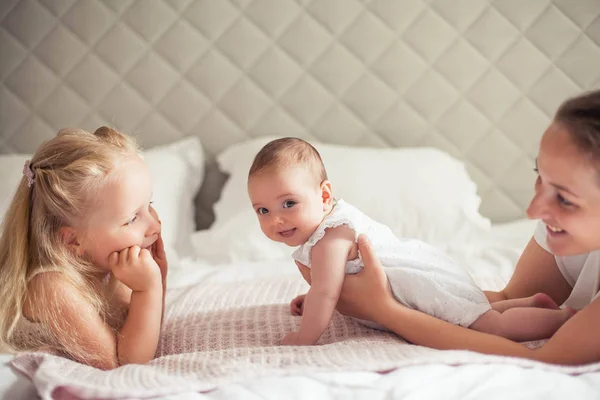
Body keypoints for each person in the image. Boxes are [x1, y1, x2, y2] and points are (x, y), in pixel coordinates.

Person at [293, 89, 600, 365]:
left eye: (564, 198)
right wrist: (343, 289)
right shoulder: (563, 230)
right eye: (540, 176)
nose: (534, 210)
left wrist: (385, 309)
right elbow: (503, 301)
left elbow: (541, 361)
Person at [247, 138, 575, 346]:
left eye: (288, 203)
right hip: (421, 277)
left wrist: (306, 336)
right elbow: (330, 284)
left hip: (418, 287)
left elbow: (328, 290)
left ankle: (562, 320)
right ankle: (530, 306)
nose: (276, 219)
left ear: (324, 195)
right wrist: (312, 295)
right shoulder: (326, 232)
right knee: (471, 312)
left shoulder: (331, 238)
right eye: (263, 210)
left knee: (491, 327)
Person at [0, 127, 167, 370]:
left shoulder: (108, 269)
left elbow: (144, 335)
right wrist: (148, 290)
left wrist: (157, 279)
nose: (154, 225)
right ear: (73, 241)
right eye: (132, 218)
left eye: (149, 204)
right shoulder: (51, 287)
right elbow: (123, 364)